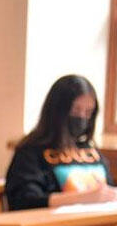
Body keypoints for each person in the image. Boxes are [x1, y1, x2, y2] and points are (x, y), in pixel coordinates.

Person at [6, 75, 116, 210]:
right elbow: (23, 200)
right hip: (52, 221)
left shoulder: (91, 152)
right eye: (75, 110)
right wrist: (82, 198)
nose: (82, 117)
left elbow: (108, 191)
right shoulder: (31, 151)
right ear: (57, 110)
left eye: (88, 112)